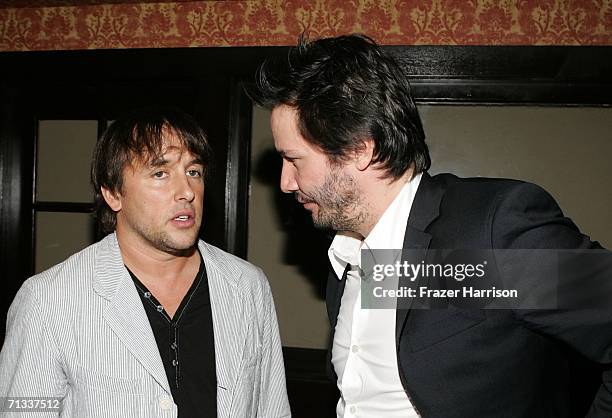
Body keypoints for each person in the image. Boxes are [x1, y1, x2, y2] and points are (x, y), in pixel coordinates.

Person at [252, 34, 612, 417]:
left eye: (294, 159)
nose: (286, 182)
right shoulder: (345, 259)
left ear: (360, 149)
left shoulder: (492, 231)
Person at [0, 108, 290, 418]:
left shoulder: (247, 286)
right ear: (113, 194)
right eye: (160, 173)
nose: (186, 192)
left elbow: (272, 409)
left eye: (193, 171)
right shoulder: (48, 300)